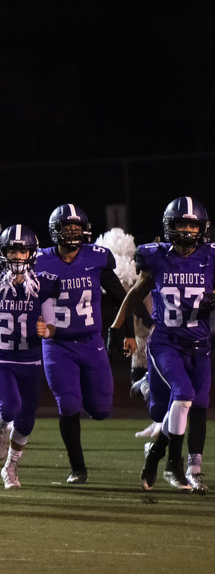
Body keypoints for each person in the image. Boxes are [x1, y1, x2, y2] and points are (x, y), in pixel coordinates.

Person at [108, 197, 213, 494]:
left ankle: (191, 469)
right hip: (167, 342)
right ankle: (169, 464)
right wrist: (116, 327)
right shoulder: (156, 257)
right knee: (181, 396)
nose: (188, 230)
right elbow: (135, 294)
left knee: (199, 406)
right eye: (182, 223)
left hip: (201, 345)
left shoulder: (210, 256)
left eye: (193, 224)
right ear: (170, 226)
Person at [35, 204, 141, 484]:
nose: (73, 233)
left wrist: (129, 332)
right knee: (68, 404)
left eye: (77, 228)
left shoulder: (96, 258)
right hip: (57, 345)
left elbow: (122, 297)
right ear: (55, 231)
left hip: (91, 342)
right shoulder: (40, 261)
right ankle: (77, 468)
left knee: (101, 410)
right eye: (67, 228)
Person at [0, 225, 58, 490]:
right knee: (9, 407)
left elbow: (52, 324)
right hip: (0, 357)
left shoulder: (42, 285)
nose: (17, 255)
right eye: (12, 250)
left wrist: (46, 330)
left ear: (32, 253)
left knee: (27, 418)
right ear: (3, 253)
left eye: (22, 250)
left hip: (29, 359)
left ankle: (11, 466)